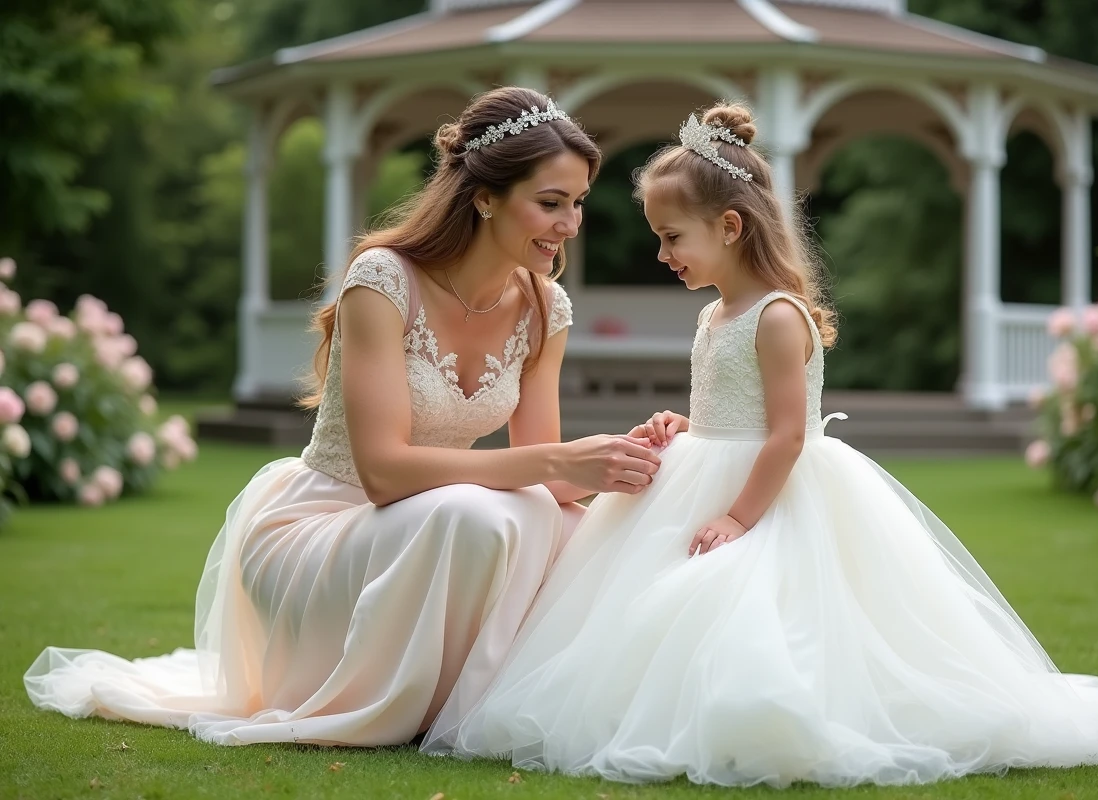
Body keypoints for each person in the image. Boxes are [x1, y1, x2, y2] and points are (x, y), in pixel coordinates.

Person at [431, 104, 1098, 787]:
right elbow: (735, 414)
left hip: (769, 494)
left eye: (671, 238)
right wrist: (686, 428)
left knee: (753, 608)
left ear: (729, 228)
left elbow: (786, 436)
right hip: (710, 468)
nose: (662, 255)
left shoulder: (777, 316)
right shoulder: (716, 315)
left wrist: (739, 519)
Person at [24, 86, 661, 747]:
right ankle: (432, 707)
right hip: (322, 528)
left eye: (579, 202)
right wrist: (554, 461)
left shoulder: (543, 307)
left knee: (563, 523)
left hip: (440, 529)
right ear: (485, 197)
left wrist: (631, 456)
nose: (570, 224)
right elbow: (384, 474)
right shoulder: (384, 280)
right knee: (484, 512)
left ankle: (495, 699)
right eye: (551, 202)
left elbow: (554, 486)